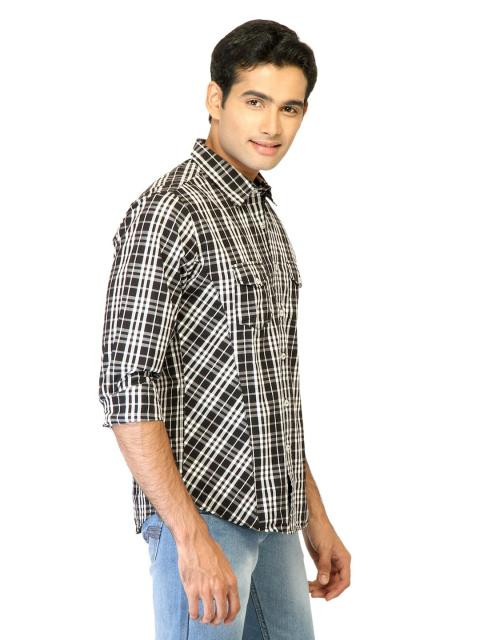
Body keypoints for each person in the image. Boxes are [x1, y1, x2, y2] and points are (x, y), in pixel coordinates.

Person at [98, 18, 351, 640]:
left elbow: (269, 388)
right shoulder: (169, 211)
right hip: (202, 518)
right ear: (216, 99)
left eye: (290, 108)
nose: (273, 127)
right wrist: (190, 538)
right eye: (255, 101)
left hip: (275, 516)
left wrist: (313, 516)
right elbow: (127, 385)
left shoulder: (261, 216)